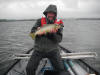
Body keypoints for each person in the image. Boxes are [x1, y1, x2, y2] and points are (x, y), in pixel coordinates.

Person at [26, 4, 70, 75]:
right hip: (38, 50)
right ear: (46, 13)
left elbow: (59, 40)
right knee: (29, 68)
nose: (51, 15)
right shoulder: (39, 21)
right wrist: (38, 33)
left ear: (55, 14)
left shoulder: (58, 24)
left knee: (61, 70)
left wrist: (53, 34)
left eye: (53, 13)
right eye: (49, 13)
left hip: (53, 50)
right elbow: (32, 34)